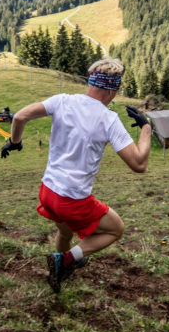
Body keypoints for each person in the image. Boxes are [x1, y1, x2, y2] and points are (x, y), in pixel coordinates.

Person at [9, 57, 151, 293]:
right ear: (113, 90)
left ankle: (57, 271)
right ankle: (67, 260)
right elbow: (139, 164)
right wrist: (146, 129)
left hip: (47, 191)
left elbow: (19, 117)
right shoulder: (108, 119)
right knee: (116, 229)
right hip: (72, 199)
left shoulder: (62, 101)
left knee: (65, 231)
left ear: (92, 82)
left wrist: (15, 143)